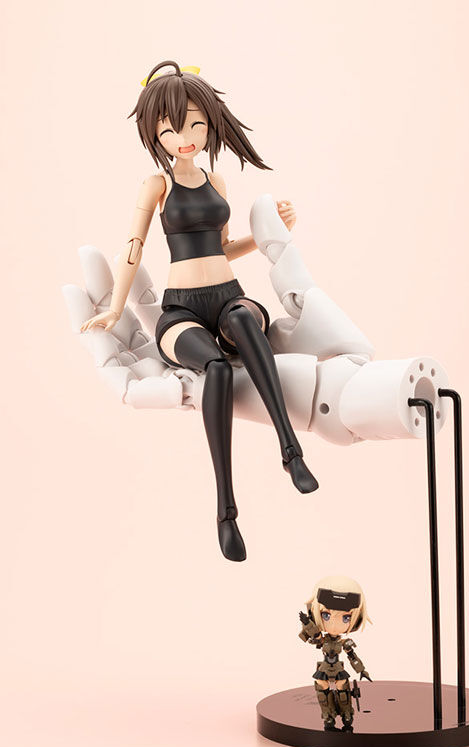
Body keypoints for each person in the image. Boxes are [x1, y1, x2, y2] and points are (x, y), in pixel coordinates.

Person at [81, 60, 318, 563]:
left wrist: (273, 232)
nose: (185, 138)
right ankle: (226, 511)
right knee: (216, 368)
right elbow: (133, 247)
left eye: (195, 125)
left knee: (243, 319)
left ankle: (290, 451)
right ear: (155, 135)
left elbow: (223, 248)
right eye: (170, 130)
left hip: (228, 297)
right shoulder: (156, 185)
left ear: (209, 123)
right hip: (181, 310)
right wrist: (116, 308)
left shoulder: (217, 181)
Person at [299, 575, 372, 731]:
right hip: (324, 669)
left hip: (338, 669)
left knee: (343, 692)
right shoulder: (323, 640)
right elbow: (316, 636)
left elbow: (352, 656)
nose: (333, 624)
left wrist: (361, 670)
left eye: (346, 618)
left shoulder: (344, 643)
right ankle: (328, 715)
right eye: (326, 615)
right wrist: (307, 624)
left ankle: (347, 714)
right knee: (321, 691)